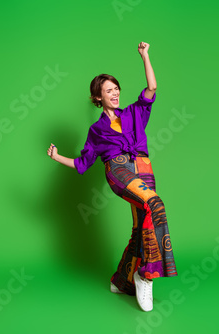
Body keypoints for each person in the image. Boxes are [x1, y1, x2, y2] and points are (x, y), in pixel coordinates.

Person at [46, 41, 177, 312]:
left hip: (144, 167)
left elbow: (151, 88)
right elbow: (83, 162)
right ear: (98, 98)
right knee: (155, 204)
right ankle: (146, 275)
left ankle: (121, 281)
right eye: (109, 91)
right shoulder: (96, 130)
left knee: (142, 225)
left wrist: (145, 56)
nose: (115, 94)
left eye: (116, 89)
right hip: (118, 169)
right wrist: (57, 157)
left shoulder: (134, 112)